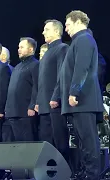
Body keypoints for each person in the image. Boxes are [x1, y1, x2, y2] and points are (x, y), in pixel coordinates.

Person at [53, 10, 104, 179]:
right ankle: (85, 171)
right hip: (80, 101)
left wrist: (74, 91)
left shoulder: (84, 39)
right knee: (82, 141)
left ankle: (92, 174)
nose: (66, 29)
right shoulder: (78, 41)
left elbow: (82, 68)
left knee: (88, 140)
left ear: (77, 22)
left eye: (67, 24)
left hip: (84, 100)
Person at [35, 20, 69, 162]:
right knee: (46, 141)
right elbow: (42, 81)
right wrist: (37, 102)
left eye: (47, 29)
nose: (43, 32)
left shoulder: (62, 48)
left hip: (55, 103)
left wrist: (56, 97)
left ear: (56, 31)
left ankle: (65, 170)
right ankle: (50, 171)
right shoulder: (47, 52)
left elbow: (62, 74)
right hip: (43, 104)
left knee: (59, 139)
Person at [5, 37, 39, 141]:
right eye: (19, 47)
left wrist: (32, 106)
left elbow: (37, 86)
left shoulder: (36, 64)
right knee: (18, 143)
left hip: (26, 112)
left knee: (28, 142)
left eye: (22, 47)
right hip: (13, 112)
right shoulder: (17, 67)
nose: (19, 49)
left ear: (31, 49)